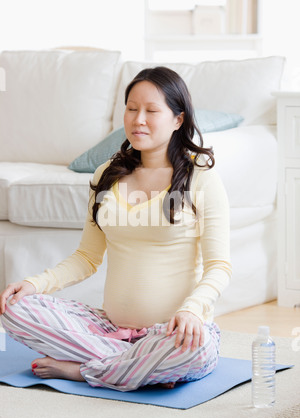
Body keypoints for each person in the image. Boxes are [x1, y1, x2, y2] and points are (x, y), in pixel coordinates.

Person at [0, 67, 232, 392]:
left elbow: (219, 266)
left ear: (178, 119)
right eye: (132, 108)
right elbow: (86, 257)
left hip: (174, 333)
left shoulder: (200, 178)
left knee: (194, 351)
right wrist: (32, 284)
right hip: (108, 328)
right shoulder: (107, 174)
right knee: (15, 309)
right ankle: (139, 367)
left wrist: (192, 311)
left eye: (151, 111)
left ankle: (84, 371)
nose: (138, 119)